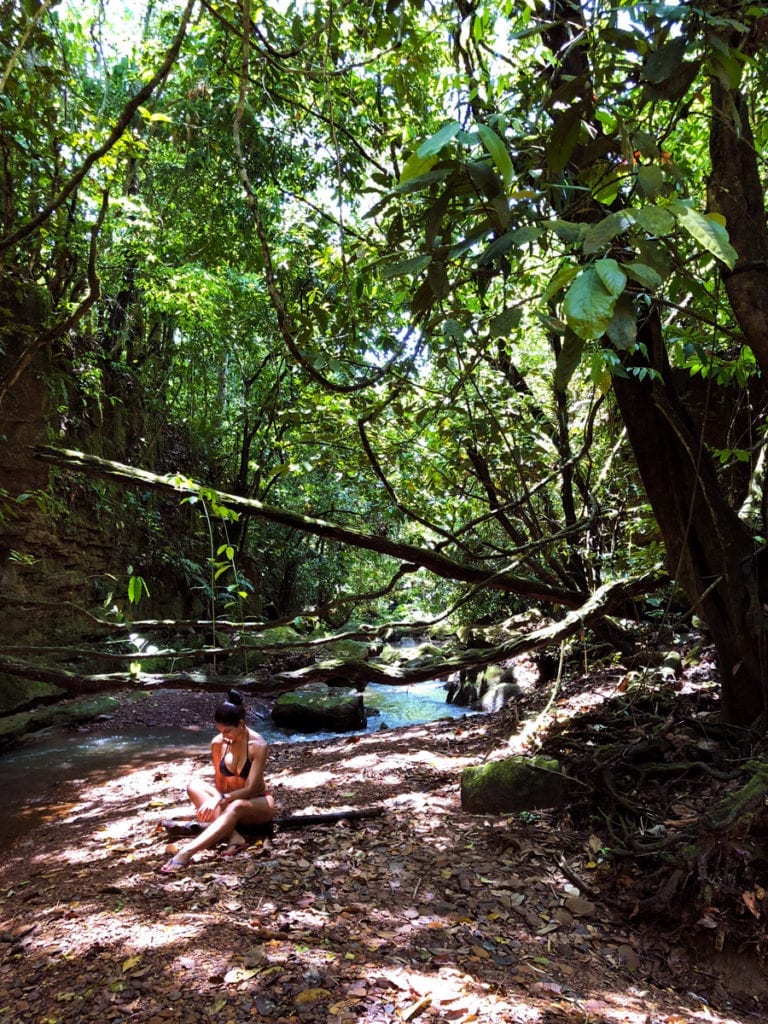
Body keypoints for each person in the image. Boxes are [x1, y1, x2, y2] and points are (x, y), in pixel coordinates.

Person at [160, 689, 275, 873]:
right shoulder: (218, 743)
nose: (224, 735)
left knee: (236, 805)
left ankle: (186, 853)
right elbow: (220, 783)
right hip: (229, 802)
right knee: (194, 786)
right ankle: (234, 836)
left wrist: (219, 799)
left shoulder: (258, 746)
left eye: (227, 731)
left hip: (257, 803)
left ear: (241, 724)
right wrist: (217, 803)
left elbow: (251, 789)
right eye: (220, 730)